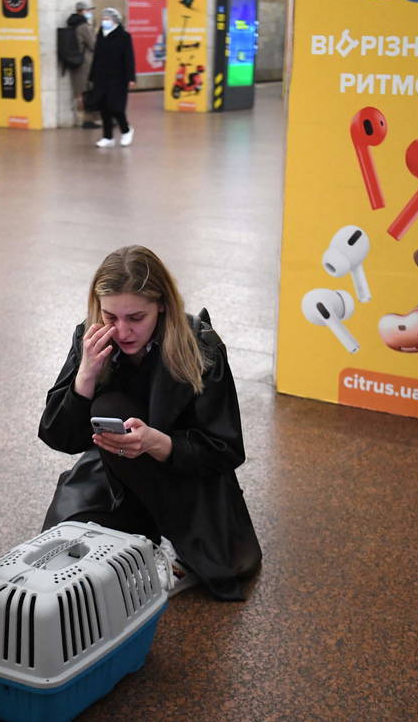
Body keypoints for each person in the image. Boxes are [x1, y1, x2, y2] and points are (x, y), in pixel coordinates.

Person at [38, 246, 263, 601]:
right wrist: (85, 376)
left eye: (136, 318)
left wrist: (159, 443)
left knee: (113, 407)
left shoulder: (199, 346)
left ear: (161, 305)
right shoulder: (92, 336)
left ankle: (171, 544)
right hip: (118, 472)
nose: (122, 331)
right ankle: (146, 541)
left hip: (188, 481)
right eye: (110, 316)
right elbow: (58, 435)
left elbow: (226, 449)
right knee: (63, 543)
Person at [88, 7, 136, 148]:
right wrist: (92, 76)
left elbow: (129, 58)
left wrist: (131, 77)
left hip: (118, 78)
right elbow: (96, 57)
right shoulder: (100, 35)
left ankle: (126, 130)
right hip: (101, 77)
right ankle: (107, 136)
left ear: (115, 21)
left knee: (116, 107)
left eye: (107, 19)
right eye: (103, 19)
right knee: (104, 107)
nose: (104, 21)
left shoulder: (124, 36)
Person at [65, 1, 100, 129]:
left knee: (79, 92)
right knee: (88, 92)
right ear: (81, 11)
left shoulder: (72, 24)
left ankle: (82, 119)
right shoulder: (83, 26)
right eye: (88, 10)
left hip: (75, 62)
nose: (90, 13)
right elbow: (93, 45)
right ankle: (87, 120)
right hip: (85, 63)